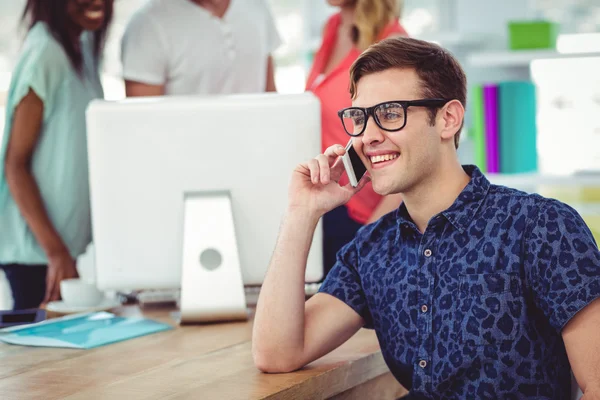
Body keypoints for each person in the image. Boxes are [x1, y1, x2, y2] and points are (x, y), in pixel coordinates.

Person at [252, 37, 600, 399]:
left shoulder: (541, 227)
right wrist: (301, 212)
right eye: (359, 118)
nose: (368, 137)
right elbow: (277, 352)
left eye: (389, 114)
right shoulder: (372, 251)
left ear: (448, 119)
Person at [0, 0, 113, 310]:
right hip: (36, 257)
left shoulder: (83, 43)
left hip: (62, 252)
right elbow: (15, 164)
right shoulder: (45, 53)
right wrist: (56, 252)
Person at [306, 0, 407, 275]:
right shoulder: (334, 27)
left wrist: (370, 237)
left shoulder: (392, 43)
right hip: (332, 206)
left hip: (368, 217)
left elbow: (408, 151)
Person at [120, 0, 281, 97]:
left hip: (256, 146)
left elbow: (270, 96)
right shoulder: (147, 26)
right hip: (184, 150)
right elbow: (143, 125)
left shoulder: (257, 7)